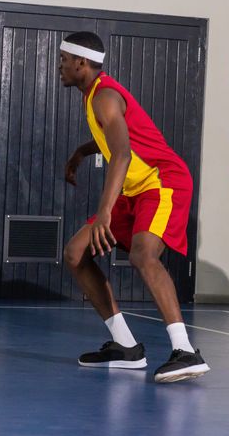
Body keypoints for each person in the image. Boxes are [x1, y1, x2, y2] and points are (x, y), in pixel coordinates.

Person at [59, 32, 208, 384]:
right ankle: (125, 346)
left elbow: (123, 153)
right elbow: (117, 138)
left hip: (162, 180)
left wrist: (105, 211)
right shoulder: (95, 94)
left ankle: (185, 350)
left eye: (64, 59)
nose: (60, 66)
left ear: (81, 63)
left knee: (143, 254)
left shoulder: (105, 96)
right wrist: (83, 152)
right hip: (135, 188)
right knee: (76, 253)